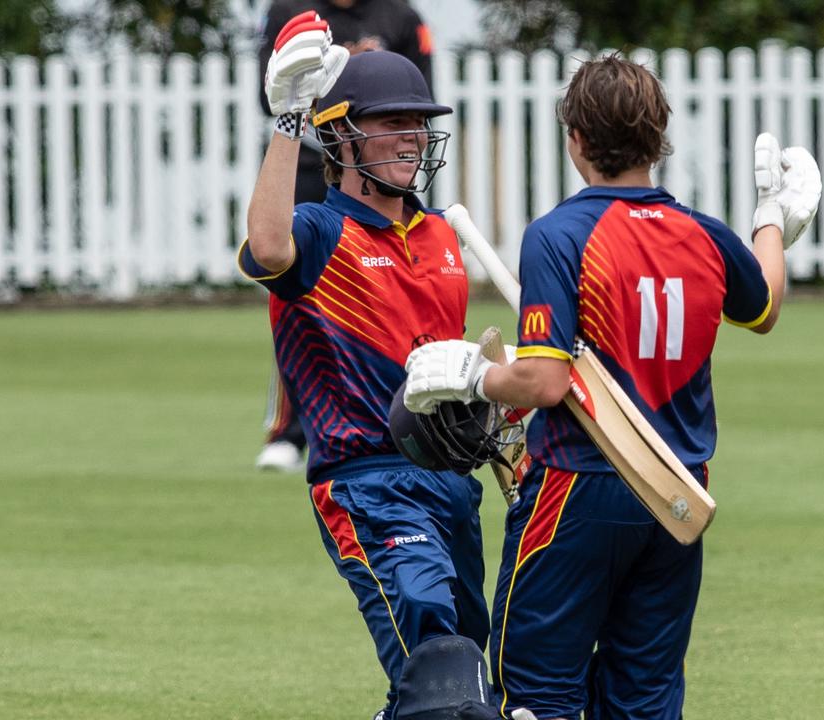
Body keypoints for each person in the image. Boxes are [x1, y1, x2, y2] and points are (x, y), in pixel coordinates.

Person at [402, 55, 821, 718]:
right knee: (644, 700)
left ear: (576, 140)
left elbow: (542, 379)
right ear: (658, 139)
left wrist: (476, 375)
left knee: (538, 697)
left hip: (579, 489)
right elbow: (763, 307)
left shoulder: (560, 235)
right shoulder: (705, 235)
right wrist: (772, 217)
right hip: (677, 497)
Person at [240, 14, 494, 718]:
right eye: (392, 123)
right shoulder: (319, 231)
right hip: (368, 485)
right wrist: (289, 118)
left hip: (451, 488)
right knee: (436, 657)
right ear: (343, 136)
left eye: (419, 122)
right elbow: (266, 246)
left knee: (464, 677)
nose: (413, 136)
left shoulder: (443, 234)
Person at [255, 0, 438, 471]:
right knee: (301, 293)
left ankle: (413, 417)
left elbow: (417, 97)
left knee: (401, 294)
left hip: (381, 166)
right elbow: (269, 92)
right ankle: (290, 431)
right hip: (312, 162)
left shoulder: (401, 17)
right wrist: (294, 115)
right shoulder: (290, 10)